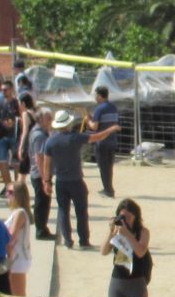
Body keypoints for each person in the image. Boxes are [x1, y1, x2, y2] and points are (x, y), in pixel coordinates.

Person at [45, 107, 121, 249]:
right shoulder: (75, 138)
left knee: (63, 211)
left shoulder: (50, 141)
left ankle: (68, 240)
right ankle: (83, 240)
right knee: (81, 212)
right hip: (76, 180)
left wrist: (46, 181)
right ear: (68, 124)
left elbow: (46, 163)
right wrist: (111, 129)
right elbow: (97, 137)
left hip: (60, 181)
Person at [106, 198, 153, 297]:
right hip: (117, 280)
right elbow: (104, 251)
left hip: (136, 282)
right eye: (122, 217)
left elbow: (140, 252)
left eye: (128, 217)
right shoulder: (116, 232)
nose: (125, 220)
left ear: (135, 216)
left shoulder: (143, 232)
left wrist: (127, 234)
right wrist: (111, 232)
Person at [24, 105, 54, 241]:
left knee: (43, 202)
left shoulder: (40, 132)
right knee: (42, 203)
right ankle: (41, 230)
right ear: (41, 120)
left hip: (40, 173)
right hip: (40, 174)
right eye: (48, 119)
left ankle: (43, 228)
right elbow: (39, 159)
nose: (51, 121)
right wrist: (45, 180)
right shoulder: (39, 135)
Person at [1, 181, 34, 297]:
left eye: (10, 192)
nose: (7, 194)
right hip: (16, 257)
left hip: (18, 258)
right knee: (15, 294)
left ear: (18, 195)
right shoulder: (16, 212)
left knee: (18, 296)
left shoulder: (20, 213)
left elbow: (11, 237)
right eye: (7, 191)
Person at [90, 85, 123, 198]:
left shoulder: (99, 109)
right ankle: (109, 188)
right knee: (109, 166)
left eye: (96, 95)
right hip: (112, 140)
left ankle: (108, 190)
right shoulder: (113, 107)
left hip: (102, 141)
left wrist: (87, 120)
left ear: (100, 96)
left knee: (103, 166)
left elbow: (94, 127)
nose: (95, 97)